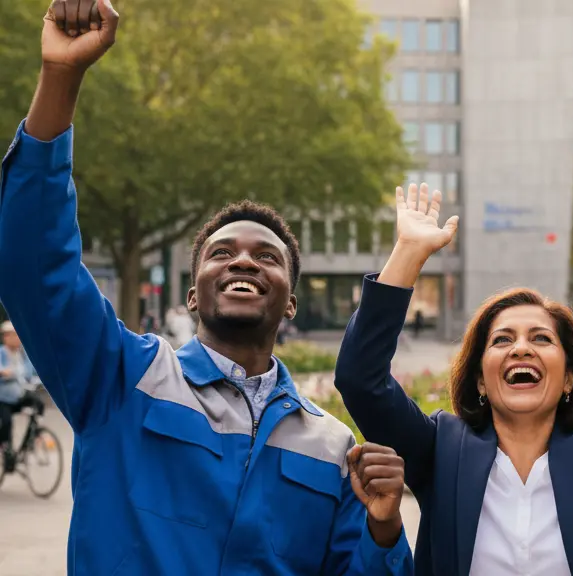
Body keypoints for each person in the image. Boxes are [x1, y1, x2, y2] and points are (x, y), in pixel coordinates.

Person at [0, 2, 412, 574]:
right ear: (193, 293)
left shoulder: (333, 447)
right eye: (222, 253)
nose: (243, 261)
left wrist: (386, 529)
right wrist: (61, 78)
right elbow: (34, 261)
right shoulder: (121, 376)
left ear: (289, 299)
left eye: (267, 257)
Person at [335, 183, 573, 576]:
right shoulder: (440, 450)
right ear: (480, 381)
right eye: (502, 340)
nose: (521, 349)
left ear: (569, 378)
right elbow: (360, 379)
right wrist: (408, 253)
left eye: (541, 338)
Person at [0, 321, 46, 472]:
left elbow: (31, 372)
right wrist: (5, 372)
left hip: (19, 395)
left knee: (38, 403)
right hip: (3, 398)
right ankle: (6, 449)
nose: (17, 339)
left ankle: (32, 438)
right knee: (6, 422)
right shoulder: (1, 353)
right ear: (5, 337)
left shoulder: (22, 354)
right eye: (13, 335)